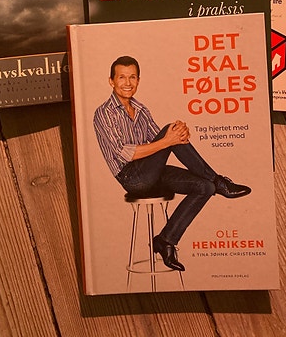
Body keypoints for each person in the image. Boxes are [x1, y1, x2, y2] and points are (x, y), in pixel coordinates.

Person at [93, 55, 251, 272]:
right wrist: (170, 138)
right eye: (122, 77)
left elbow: (160, 140)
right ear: (111, 81)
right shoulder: (104, 113)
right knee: (170, 131)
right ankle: (219, 181)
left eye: (132, 77)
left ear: (138, 80)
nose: (127, 83)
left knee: (205, 187)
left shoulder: (141, 109)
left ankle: (165, 241)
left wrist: (180, 134)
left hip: (152, 171)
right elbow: (127, 154)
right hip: (133, 178)